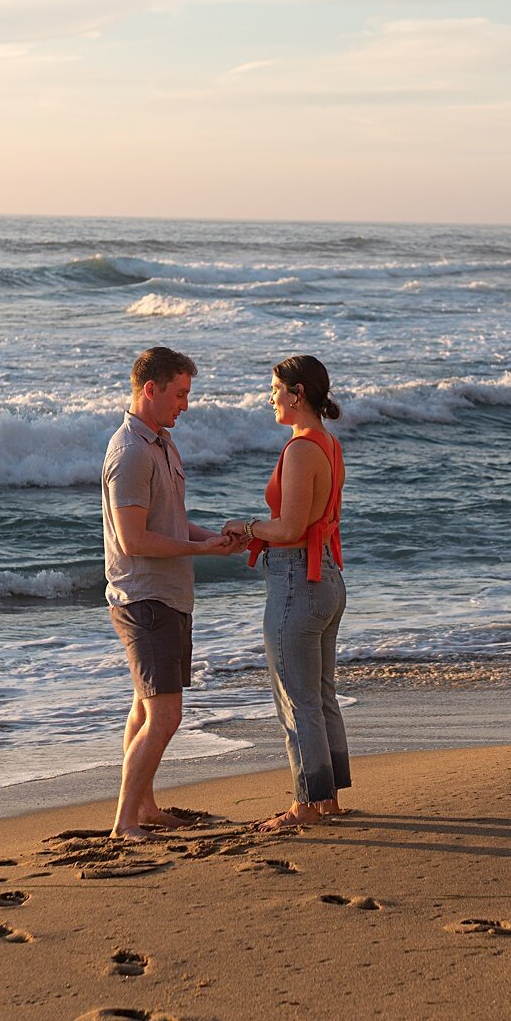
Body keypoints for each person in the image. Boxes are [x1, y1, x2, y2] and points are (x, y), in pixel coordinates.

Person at [102, 346, 235, 839]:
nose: (185, 404)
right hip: (145, 598)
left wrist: (209, 539)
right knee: (166, 714)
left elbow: (171, 522)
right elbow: (134, 539)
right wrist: (202, 552)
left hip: (169, 596)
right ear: (149, 390)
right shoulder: (132, 451)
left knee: (145, 709)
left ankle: (145, 808)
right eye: (179, 394)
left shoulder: (161, 443)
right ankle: (123, 823)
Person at [225, 355, 349, 832]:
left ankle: (305, 805)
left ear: (296, 394)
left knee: (297, 698)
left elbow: (292, 526)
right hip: (327, 579)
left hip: (299, 581)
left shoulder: (300, 450)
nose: (269, 396)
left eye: (275, 388)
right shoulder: (329, 444)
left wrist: (247, 526)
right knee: (319, 693)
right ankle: (328, 799)